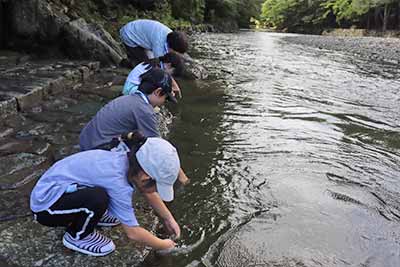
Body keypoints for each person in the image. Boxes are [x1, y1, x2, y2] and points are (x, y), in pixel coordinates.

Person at [30, 132, 182, 256]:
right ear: (145, 177)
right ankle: (78, 236)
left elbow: (148, 192)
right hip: (46, 208)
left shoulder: (124, 159)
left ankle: (91, 214)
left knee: (100, 196)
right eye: (156, 186)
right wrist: (163, 245)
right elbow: (133, 233)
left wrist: (168, 219)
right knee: (98, 197)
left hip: (62, 189)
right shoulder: (119, 183)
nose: (155, 191)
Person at [79, 67, 190, 184]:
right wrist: (183, 178)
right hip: (98, 149)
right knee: (143, 157)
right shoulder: (144, 110)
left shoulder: (127, 99)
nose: (163, 103)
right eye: (165, 98)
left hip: (86, 141)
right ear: (157, 92)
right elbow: (160, 149)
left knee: (138, 142)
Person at [120, 19, 188, 67]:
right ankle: (126, 63)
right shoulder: (158, 43)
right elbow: (161, 65)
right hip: (129, 35)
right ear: (172, 47)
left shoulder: (171, 35)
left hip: (138, 31)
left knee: (150, 58)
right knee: (145, 65)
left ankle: (132, 59)